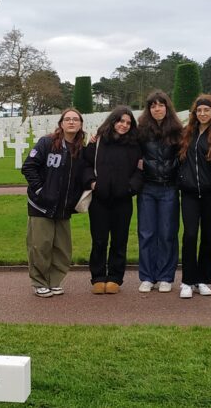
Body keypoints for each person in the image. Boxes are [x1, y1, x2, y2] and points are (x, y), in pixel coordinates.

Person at [21, 108, 86, 298]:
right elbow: (29, 167)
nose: (72, 122)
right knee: (40, 245)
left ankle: (54, 281)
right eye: (68, 119)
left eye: (75, 119)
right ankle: (39, 282)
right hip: (41, 205)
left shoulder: (80, 149)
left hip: (64, 206)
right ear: (61, 123)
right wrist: (40, 191)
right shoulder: (47, 143)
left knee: (62, 248)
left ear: (81, 124)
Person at [83, 106, 143, 295]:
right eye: (121, 121)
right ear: (113, 121)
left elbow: (140, 170)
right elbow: (85, 164)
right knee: (99, 240)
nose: (124, 125)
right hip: (99, 199)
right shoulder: (97, 141)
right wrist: (92, 183)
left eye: (128, 123)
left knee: (119, 240)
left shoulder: (135, 145)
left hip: (122, 200)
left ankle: (115, 277)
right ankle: (98, 276)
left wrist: (131, 188)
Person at [177, 94, 211, 299]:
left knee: (209, 237)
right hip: (189, 193)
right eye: (199, 110)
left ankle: (203, 279)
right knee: (190, 235)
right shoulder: (186, 133)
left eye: (206, 110)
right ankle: (187, 281)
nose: (202, 113)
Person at [136, 90, 183, 293]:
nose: (157, 109)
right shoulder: (141, 131)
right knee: (146, 233)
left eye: (161, 105)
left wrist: (172, 170)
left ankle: (165, 276)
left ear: (167, 107)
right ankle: (147, 276)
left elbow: (183, 156)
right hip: (147, 188)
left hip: (169, 188)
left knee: (167, 233)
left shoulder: (177, 131)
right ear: (149, 109)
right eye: (153, 105)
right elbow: (125, 146)